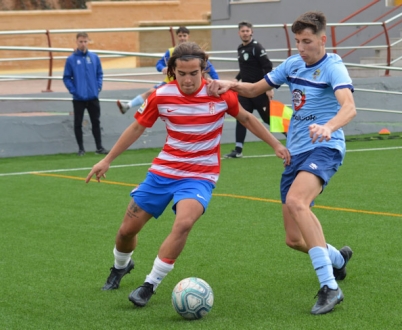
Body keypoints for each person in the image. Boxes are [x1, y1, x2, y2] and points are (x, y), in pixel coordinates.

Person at [86, 42, 290, 308]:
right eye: (182, 73)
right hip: (163, 172)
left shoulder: (220, 94)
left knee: (183, 223)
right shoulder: (161, 95)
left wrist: (275, 143)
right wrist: (107, 159)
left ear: (203, 70)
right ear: (173, 71)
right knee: (127, 231)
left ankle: (149, 285)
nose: (188, 79)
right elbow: (137, 128)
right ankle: (120, 266)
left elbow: (247, 119)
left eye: (194, 72)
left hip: (200, 176)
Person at [207, 11, 356, 315]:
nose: (302, 47)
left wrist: (328, 127)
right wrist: (227, 84)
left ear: (322, 39)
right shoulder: (292, 64)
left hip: (324, 147)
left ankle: (330, 287)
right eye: (298, 41)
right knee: (293, 239)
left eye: (308, 41)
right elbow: (252, 89)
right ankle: (337, 260)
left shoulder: (334, 67)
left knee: (297, 201)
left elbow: (349, 107)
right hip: (296, 152)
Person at [116, 26, 219, 114]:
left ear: (188, 37)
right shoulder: (171, 51)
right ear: (177, 37)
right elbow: (159, 64)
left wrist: (217, 81)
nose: (182, 38)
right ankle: (129, 106)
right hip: (170, 82)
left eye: (184, 35)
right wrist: (163, 68)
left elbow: (209, 67)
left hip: (189, 84)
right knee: (151, 93)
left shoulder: (194, 51)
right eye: (180, 36)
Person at [225, 21, 274, 159]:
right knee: (240, 117)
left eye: (247, 31)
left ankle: (293, 138)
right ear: (239, 33)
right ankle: (238, 149)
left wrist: (269, 87)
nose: (245, 33)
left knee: (269, 118)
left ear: (251, 32)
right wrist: (236, 79)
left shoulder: (257, 48)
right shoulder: (240, 49)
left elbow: (267, 66)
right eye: (243, 31)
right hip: (244, 91)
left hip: (258, 90)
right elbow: (245, 69)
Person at [63, 32, 108, 156]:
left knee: (96, 122)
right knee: (78, 123)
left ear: (88, 42)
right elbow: (67, 77)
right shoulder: (71, 59)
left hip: (93, 96)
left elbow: (99, 74)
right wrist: (74, 91)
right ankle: (81, 149)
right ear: (76, 42)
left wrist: (98, 87)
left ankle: (99, 147)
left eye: (85, 41)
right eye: (81, 41)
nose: (83, 44)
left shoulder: (94, 57)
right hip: (79, 98)